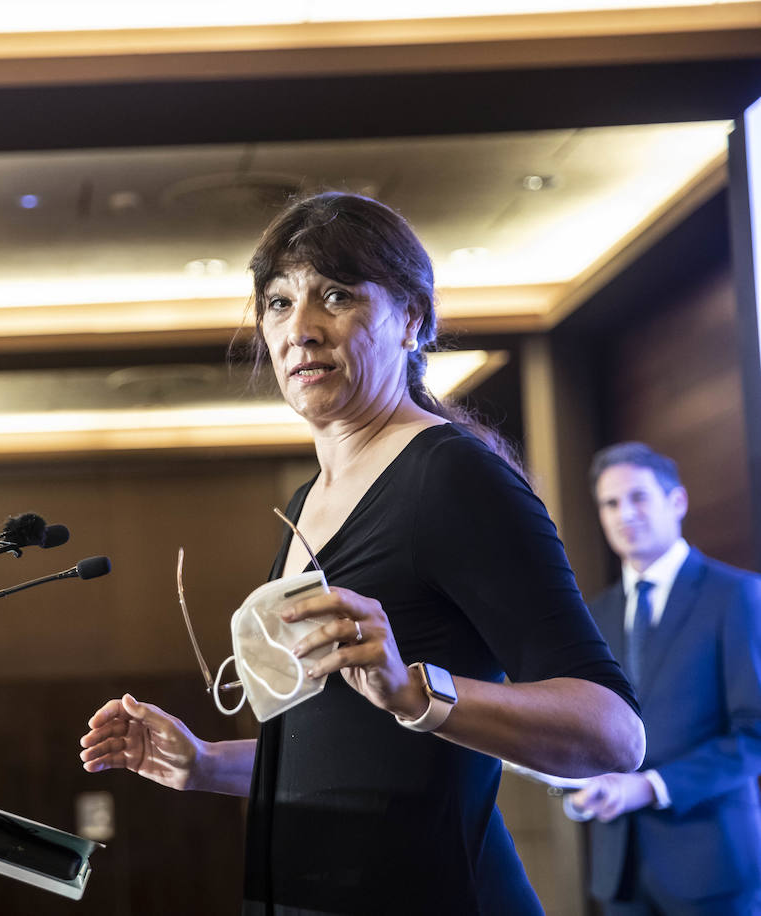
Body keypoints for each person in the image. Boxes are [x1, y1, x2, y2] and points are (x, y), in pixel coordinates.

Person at [77, 191, 646, 914]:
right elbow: (342, 756)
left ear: (412, 319)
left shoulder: (450, 476)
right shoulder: (306, 501)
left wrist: (417, 691)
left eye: (336, 296)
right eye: (278, 303)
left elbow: (614, 733)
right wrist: (204, 763)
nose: (300, 330)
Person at [569, 442, 761, 914]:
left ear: (676, 502)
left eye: (638, 497)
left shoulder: (735, 595)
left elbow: (754, 734)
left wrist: (651, 785)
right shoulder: (594, 613)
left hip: (711, 866)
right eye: (610, 504)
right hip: (621, 871)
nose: (624, 514)